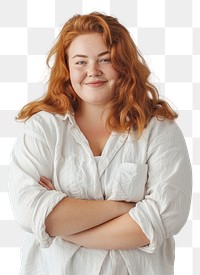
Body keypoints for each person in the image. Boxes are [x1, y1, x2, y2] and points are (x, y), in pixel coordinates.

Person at [9, 12, 192, 275]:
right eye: (80, 61)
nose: (92, 71)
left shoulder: (159, 129)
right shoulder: (43, 129)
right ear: (67, 68)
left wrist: (65, 229)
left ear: (124, 64)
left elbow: (165, 217)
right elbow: (30, 212)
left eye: (105, 59)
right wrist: (123, 208)